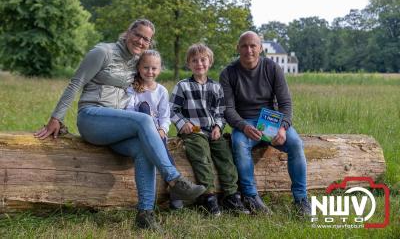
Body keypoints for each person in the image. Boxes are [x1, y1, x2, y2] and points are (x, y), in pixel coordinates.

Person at [34, 19, 206, 230]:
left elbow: (150, 78)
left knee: (145, 150)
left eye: (146, 39)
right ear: (128, 32)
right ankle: (174, 180)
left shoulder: (136, 61)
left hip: (118, 127)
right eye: (138, 35)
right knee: (144, 120)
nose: (141, 41)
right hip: (92, 118)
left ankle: (145, 215)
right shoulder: (102, 52)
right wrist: (56, 118)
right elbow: (76, 83)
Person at [219, 31, 311, 215]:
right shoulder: (228, 73)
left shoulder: (272, 68)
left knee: (296, 144)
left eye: (253, 45)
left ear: (261, 48)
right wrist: (243, 126)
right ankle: (251, 197)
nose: (249, 50)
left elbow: (285, 103)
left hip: (271, 121)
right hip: (245, 123)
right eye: (244, 46)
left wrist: (283, 128)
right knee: (238, 143)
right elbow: (227, 109)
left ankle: (301, 199)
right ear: (238, 48)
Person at [170, 43, 249, 216]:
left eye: (203, 60)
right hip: (194, 132)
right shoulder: (183, 86)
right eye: (194, 60)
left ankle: (231, 195)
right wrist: (183, 123)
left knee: (226, 157)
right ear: (188, 64)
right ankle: (208, 197)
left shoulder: (216, 87)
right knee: (202, 156)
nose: (199, 63)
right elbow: (172, 110)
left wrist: (218, 127)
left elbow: (220, 112)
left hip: (212, 131)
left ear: (210, 62)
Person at [125, 49, 183, 210]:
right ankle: (175, 185)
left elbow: (165, 117)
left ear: (160, 69)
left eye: (154, 68)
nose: (150, 72)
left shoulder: (162, 91)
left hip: (157, 133)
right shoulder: (132, 89)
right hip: (137, 131)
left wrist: (163, 130)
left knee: (160, 144)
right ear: (138, 67)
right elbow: (129, 112)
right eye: (146, 67)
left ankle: (174, 190)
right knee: (143, 110)